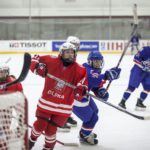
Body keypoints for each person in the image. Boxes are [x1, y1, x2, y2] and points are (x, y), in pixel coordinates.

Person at [29, 42, 88, 150]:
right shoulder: (51, 60)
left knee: (51, 131)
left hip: (63, 108)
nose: (70, 55)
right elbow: (35, 58)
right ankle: (30, 141)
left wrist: (81, 89)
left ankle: (48, 148)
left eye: (72, 53)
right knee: (39, 126)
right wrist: (37, 67)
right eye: (67, 52)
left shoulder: (80, 69)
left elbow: (84, 84)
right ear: (61, 53)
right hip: (46, 103)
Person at [72, 51, 121, 145]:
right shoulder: (87, 69)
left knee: (95, 110)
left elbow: (94, 84)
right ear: (90, 62)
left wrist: (100, 91)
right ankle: (84, 136)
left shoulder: (93, 70)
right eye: (95, 61)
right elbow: (92, 78)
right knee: (93, 118)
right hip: (76, 99)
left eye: (99, 61)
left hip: (84, 95)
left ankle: (85, 131)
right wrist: (106, 76)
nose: (98, 63)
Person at [58, 36, 80, 132]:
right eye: (73, 45)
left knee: (68, 100)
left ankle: (66, 116)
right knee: (61, 100)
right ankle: (58, 120)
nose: (74, 47)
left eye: (76, 45)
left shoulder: (73, 55)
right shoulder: (64, 55)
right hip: (60, 83)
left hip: (68, 82)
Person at [118, 46, 150, 110]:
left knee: (148, 87)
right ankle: (122, 102)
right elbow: (135, 59)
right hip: (138, 70)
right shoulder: (145, 49)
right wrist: (142, 64)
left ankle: (139, 102)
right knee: (132, 87)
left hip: (148, 72)